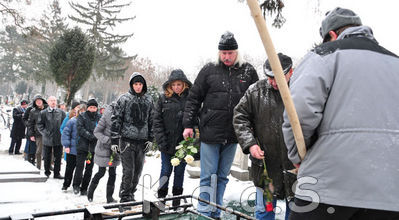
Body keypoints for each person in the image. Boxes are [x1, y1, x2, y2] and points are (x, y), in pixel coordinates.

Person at [282, 7, 399, 219]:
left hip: (328, 188)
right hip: (390, 194)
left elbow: (298, 112)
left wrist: (297, 155)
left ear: (332, 35)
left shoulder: (324, 55)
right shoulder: (395, 63)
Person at [182, 31, 258, 218]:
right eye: (223, 53)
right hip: (210, 132)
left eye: (230, 53)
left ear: (236, 52)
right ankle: (204, 211)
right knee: (208, 175)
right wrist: (188, 124)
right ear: (219, 53)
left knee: (223, 176)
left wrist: (254, 129)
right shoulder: (209, 70)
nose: (226, 57)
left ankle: (216, 210)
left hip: (233, 134)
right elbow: (193, 98)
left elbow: (256, 101)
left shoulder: (248, 71)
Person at [233, 53, 296, 220]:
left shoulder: (302, 90)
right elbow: (240, 117)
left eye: (279, 78)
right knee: (265, 213)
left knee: (296, 214)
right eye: (270, 78)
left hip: (295, 169)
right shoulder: (256, 91)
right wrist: (250, 144)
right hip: (266, 170)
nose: (274, 82)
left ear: (291, 72)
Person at [111, 72, 154, 203]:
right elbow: (116, 119)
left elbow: (152, 120)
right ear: (132, 84)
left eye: (140, 84)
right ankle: (125, 196)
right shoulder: (123, 99)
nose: (138, 86)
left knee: (138, 172)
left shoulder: (149, 100)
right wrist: (114, 139)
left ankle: (131, 194)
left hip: (142, 141)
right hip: (126, 141)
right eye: (136, 84)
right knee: (128, 171)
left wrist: (151, 139)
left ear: (143, 85)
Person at [153, 69, 192, 207]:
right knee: (165, 170)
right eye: (173, 85)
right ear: (170, 85)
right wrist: (161, 140)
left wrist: (190, 142)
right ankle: (161, 200)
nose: (176, 87)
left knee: (180, 172)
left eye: (179, 85)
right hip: (166, 142)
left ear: (184, 85)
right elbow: (157, 121)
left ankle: (176, 201)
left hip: (183, 144)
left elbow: (194, 119)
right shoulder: (163, 99)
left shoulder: (190, 99)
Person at [88, 103, 120, 203]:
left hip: (115, 149)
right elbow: (97, 132)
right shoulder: (106, 116)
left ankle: (109, 197)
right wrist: (108, 140)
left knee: (113, 174)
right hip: (104, 148)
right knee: (101, 172)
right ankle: (90, 192)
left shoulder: (123, 117)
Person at [72, 99, 101, 196]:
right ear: (88, 108)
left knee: (89, 168)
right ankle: (76, 185)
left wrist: (97, 136)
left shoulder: (99, 117)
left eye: (94, 107)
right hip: (82, 145)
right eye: (91, 107)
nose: (93, 109)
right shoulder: (82, 116)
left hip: (93, 147)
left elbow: (101, 128)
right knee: (79, 167)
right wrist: (90, 136)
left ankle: (84, 187)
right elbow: (80, 128)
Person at [37, 96, 66, 178]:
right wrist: (45, 133)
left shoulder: (61, 112)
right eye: (51, 101)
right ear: (48, 102)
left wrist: (62, 133)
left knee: (58, 157)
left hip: (58, 138)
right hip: (47, 138)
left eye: (54, 100)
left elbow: (65, 125)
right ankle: (47, 172)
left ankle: (57, 173)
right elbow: (39, 125)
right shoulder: (43, 113)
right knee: (47, 156)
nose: (53, 102)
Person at [61, 104, 86, 191]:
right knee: (69, 168)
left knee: (79, 169)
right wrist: (67, 145)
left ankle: (76, 185)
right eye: (80, 111)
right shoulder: (72, 121)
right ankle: (66, 184)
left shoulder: (86, 123)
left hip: (82, 149)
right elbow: (66, 133)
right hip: (72, 149)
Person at [28, 95, 48, 170]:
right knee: (39, 151)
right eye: (37, 101)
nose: (39, 102)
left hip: (48, 133)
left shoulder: (48, 109)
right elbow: (30, 123)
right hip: (38, 133)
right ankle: (38, 166)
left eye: (40, 100)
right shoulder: (33, 111)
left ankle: (48, 166)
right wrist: (31, 134)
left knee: (49, 151)